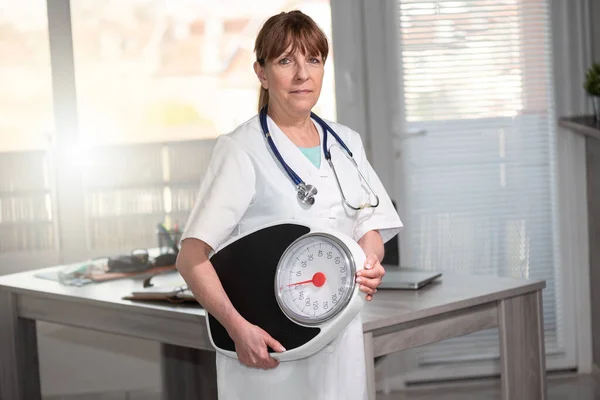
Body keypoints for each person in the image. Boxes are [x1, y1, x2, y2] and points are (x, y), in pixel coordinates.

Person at [176, 10, 402, 400]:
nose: (302, 74)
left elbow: (370, 225)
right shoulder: (240, 150)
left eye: (313, 60)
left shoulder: (346, 142)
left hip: (340, 331)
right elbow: (191, 257)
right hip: (269, 345)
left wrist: (370, 263)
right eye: (285, 61)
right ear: (262, 73)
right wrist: (236, 328)